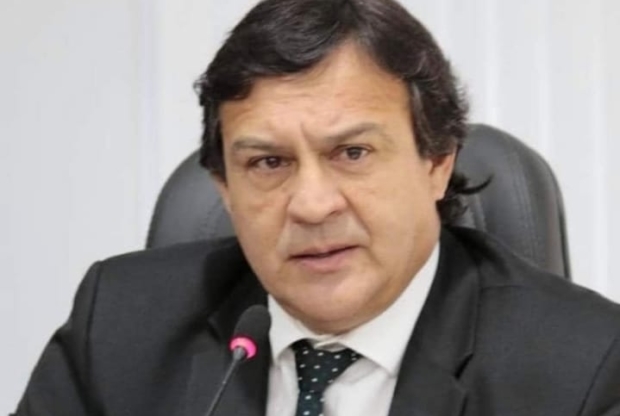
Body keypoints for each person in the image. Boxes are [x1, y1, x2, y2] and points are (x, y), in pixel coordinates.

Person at [12, 0, 620, 415]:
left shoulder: (587, 367)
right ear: (224, 188)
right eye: (268, 163)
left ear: (437, 162)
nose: (311, 204)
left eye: (352, 153)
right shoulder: (118, 327)